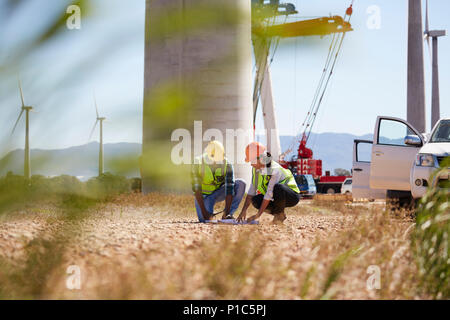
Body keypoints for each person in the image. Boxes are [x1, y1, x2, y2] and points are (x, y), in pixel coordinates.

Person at [237, 142, 300, 223]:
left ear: (260, 159)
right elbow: (251, 191)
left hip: (291, 196)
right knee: (256, 200)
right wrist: (243, 210)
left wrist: (258, 215)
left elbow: (269, 194)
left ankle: (278, 215)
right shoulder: (255, 169)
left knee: (278, 188)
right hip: (275, 195)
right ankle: (280, 214)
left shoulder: (274, 169)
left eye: (252, 160)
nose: (251, 164)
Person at [191, 140, 246, 222]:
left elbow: (229, 189)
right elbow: (197, 189)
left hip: (218, 192)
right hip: (204, 196)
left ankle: (228, 214)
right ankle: (207, 211)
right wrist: (204, 211)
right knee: (204, 219)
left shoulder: (227, 164)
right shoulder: (197, 163)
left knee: (241, 184)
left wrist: (227, 213)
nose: (216, 162)